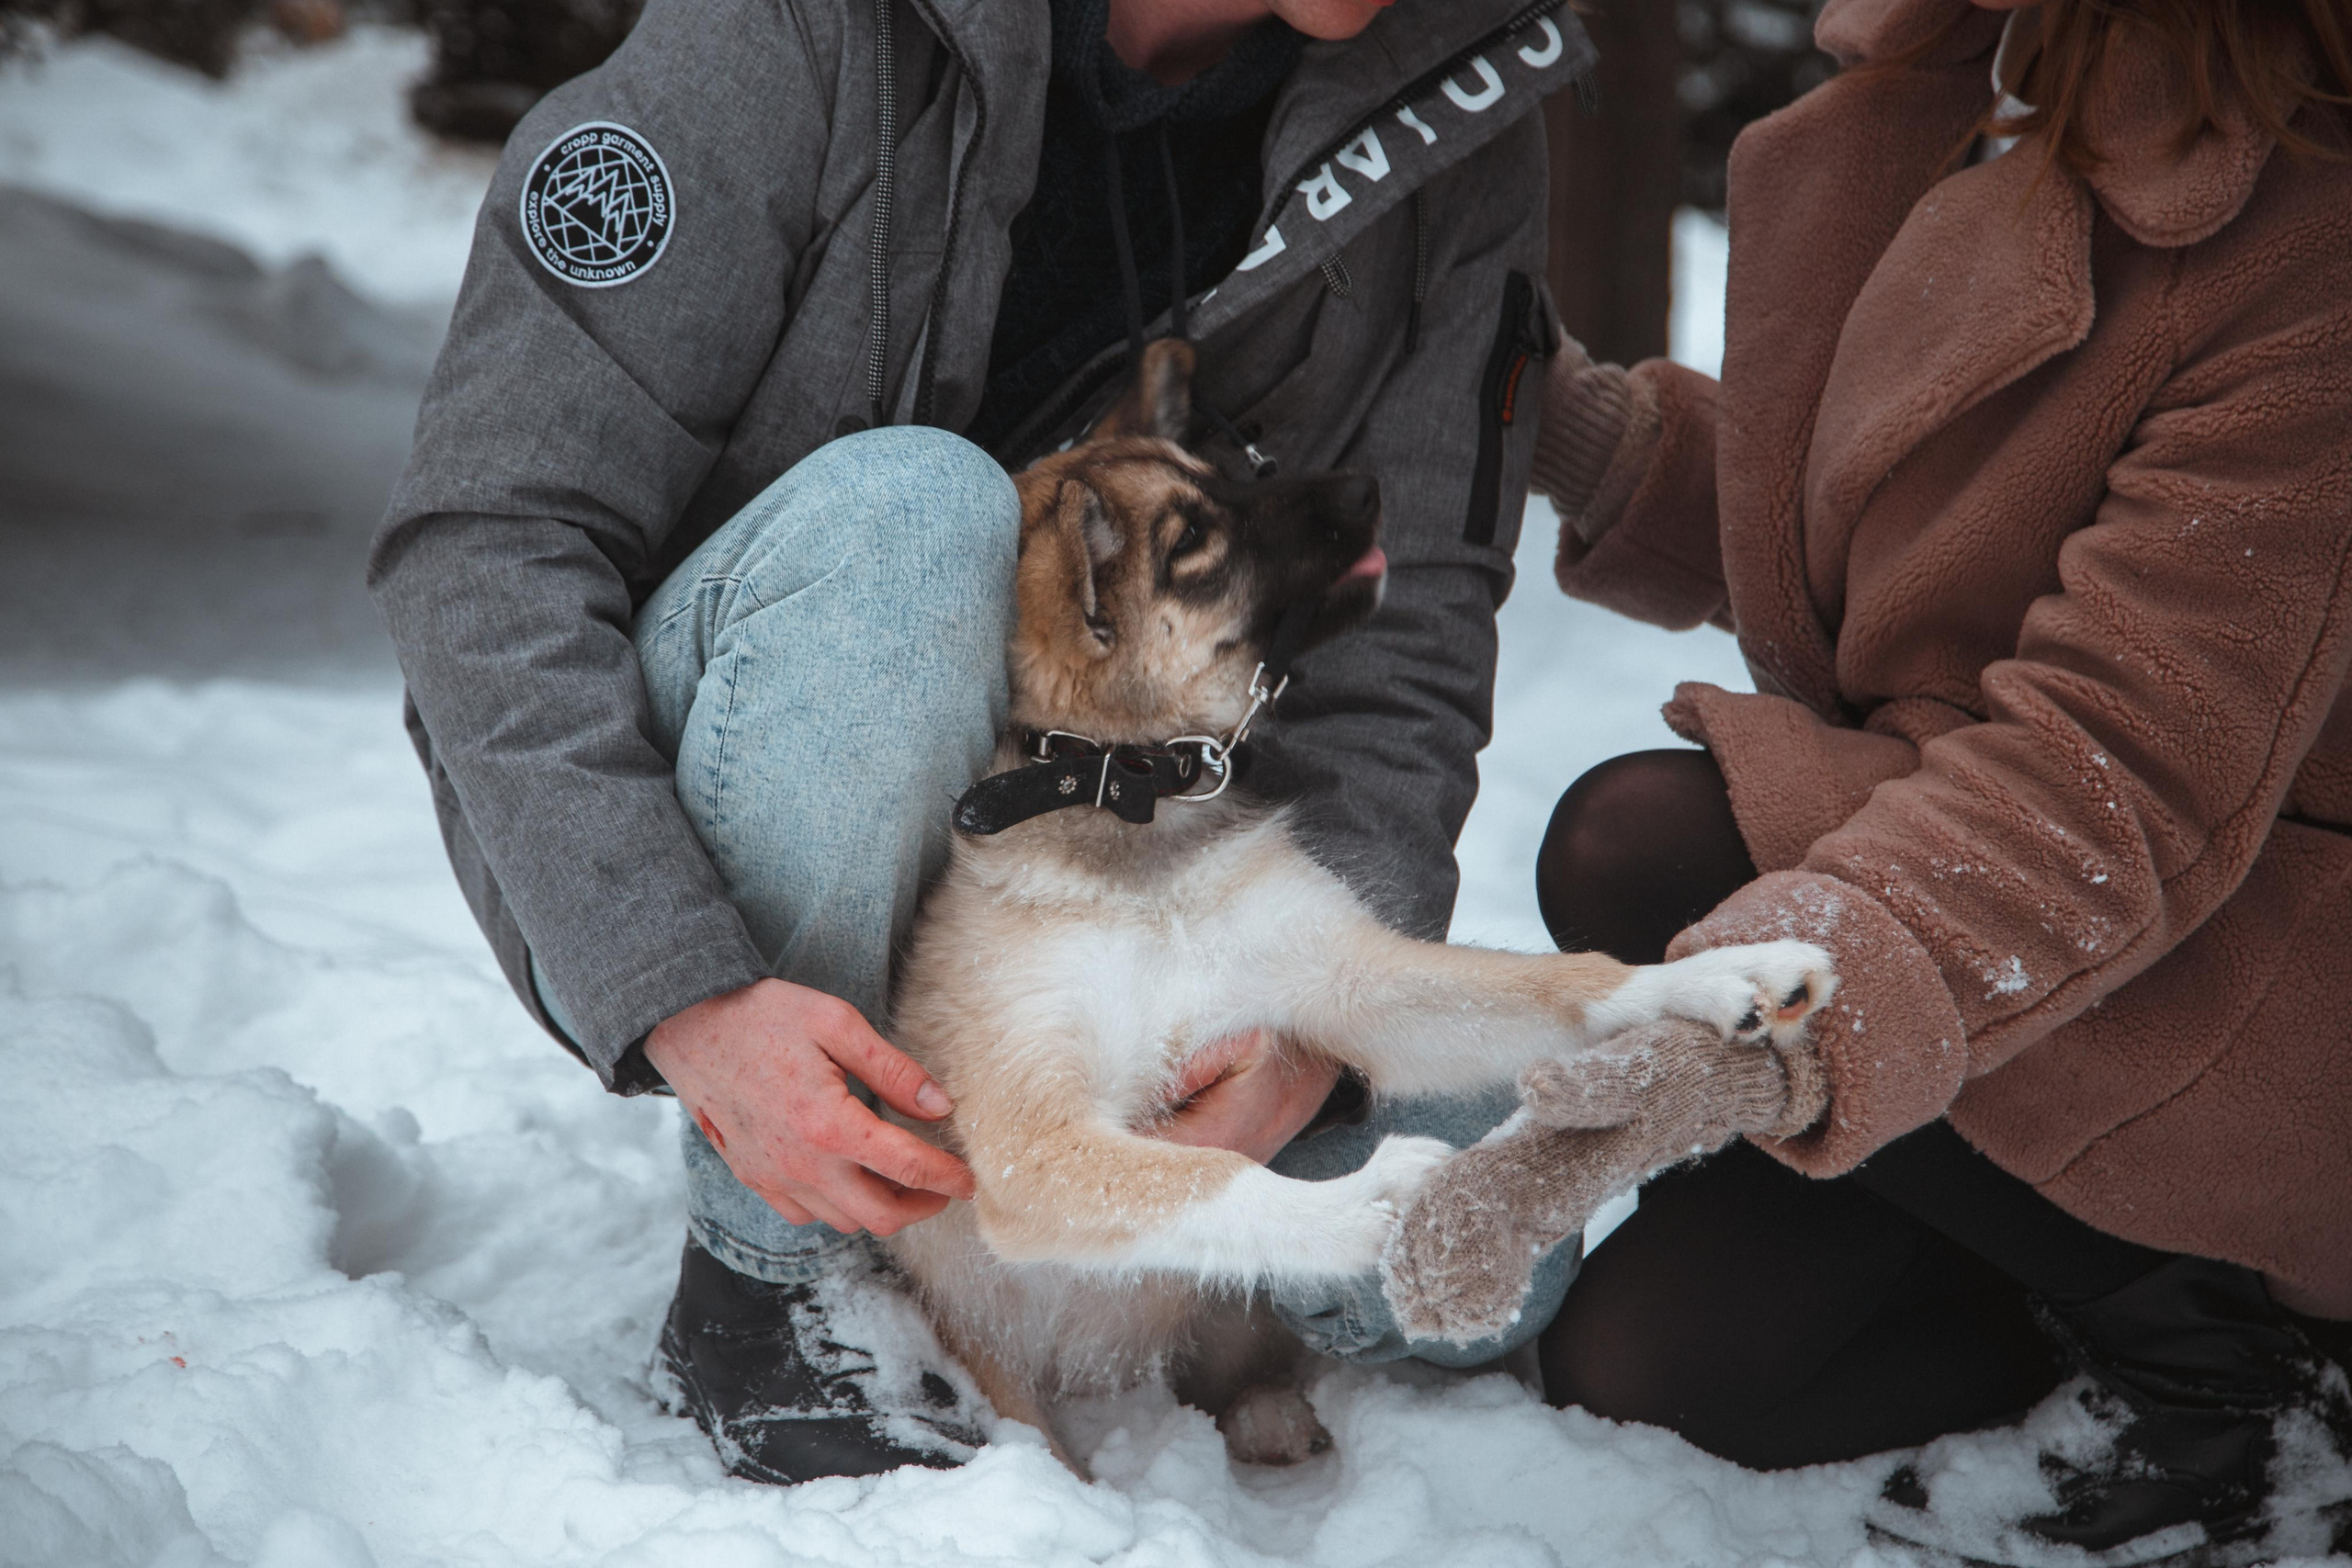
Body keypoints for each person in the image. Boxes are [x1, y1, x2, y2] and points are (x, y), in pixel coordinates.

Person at [371, 0, 1595, 1484]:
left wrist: (1305, 1045)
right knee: (919, 519)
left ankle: (1119, 1237)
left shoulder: (1452, 90)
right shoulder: (794, 31)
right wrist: (678, 988)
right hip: (763, 795)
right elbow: (488, 539)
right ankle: (782, 1268)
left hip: (1113, 891)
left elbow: (1396, 620)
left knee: (1494, 1241)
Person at [1513, 0, 2352, 1556]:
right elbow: (1917, 566)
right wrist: (1585, 439)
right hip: (2014, 974)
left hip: (2231, 998)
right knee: (1643, 1375)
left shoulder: (2310, 231)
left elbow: (2118, 770)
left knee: (1647, 844)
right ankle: (2092, 1295)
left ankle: (2241, 1381)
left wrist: (1795, 1015)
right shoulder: (1977, 82)